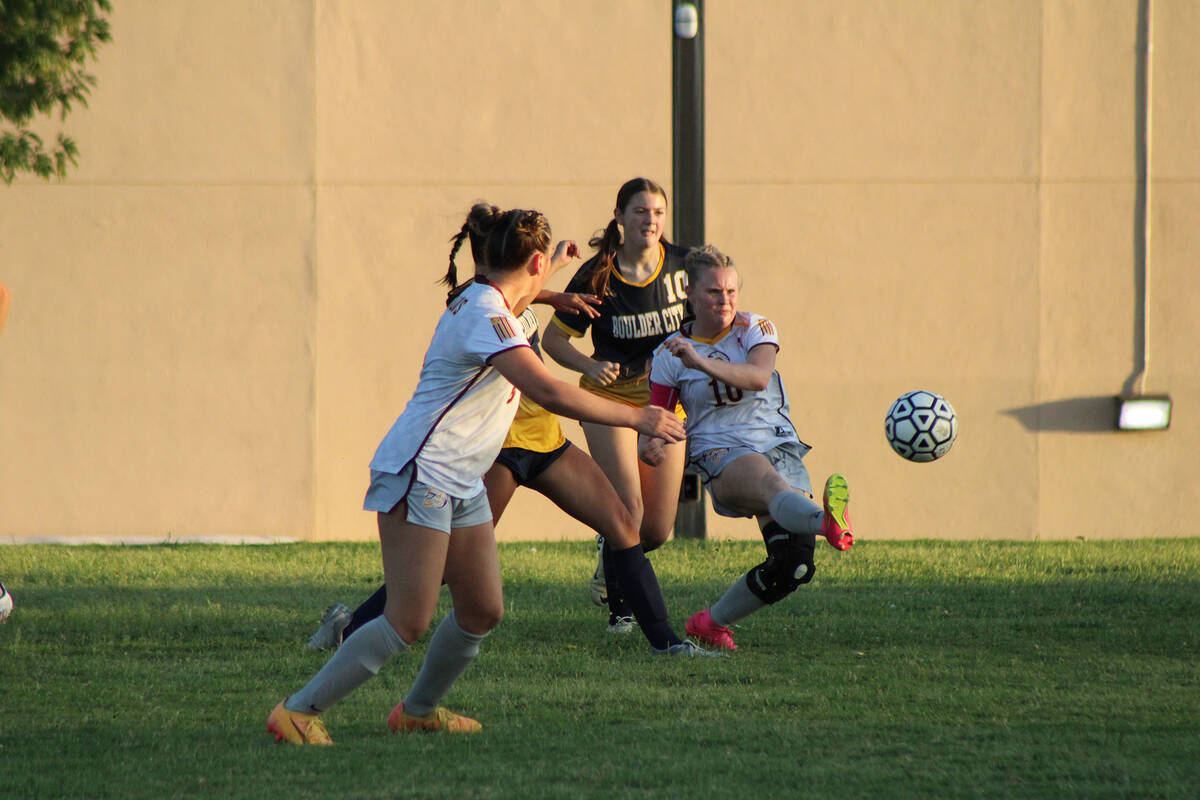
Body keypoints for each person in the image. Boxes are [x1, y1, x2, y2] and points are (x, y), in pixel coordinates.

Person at [267, 204, 693, 746]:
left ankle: (418, 711)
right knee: (409, 620)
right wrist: (639, 415)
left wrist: (553, 287)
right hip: (423, 472)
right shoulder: (485, 316)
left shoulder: (487, 294)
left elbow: (519, 294)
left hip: (460, 478)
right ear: (535, 259)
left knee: (482, 609)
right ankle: (298, 711)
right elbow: (548, 390)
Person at [638, 245, 854, 652]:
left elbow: (757, 377)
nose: (725, 301)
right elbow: (659, 414)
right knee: (772, 486)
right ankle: (825, 521)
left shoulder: (757, 327)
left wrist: (700, 362)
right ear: (690, 292)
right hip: (722, 451)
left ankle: (709, 624)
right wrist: (652, 443)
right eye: (714, 293)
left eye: (732, 292)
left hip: (778, 443)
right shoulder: (670, 352)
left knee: (794, 566)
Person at [540, 178, 690, 626]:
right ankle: (620, 610)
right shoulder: (598, 274)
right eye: (641, 211)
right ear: (620, 217)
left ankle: (610, 547)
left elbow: (711, 319)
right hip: (608, 401)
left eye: (658, 212)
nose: (651, 220)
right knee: (630, 508)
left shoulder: (684, 266)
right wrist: (587, 367)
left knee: (657, 530)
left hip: (663, 404)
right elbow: (553, 339)